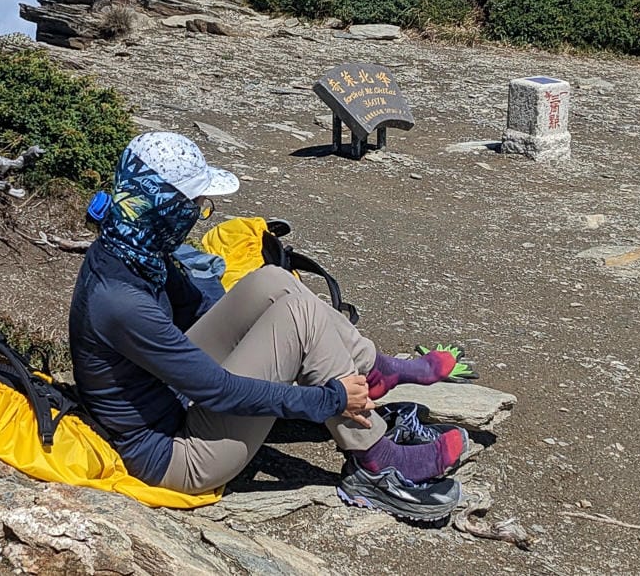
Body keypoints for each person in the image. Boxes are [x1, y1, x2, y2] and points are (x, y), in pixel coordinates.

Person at [68, 132, 467, 513]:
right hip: (177, 456)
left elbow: (199, 309)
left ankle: (372, 369)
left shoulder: (130, 250)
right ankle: (376, 461)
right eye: (194, 204)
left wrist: (271, 328)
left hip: (173, 397)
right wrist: (330, 398)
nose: (198, 213)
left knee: (274, 281)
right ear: (163, 209)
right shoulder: (120, 302)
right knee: (297, 316)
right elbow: (219, 391)